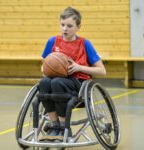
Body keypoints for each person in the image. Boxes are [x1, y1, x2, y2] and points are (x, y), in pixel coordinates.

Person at [38, 6, 106, 141]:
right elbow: (43, 66)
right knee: (44, 82)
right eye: (62, 25)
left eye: (69, 26)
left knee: (57, 82)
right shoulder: (53, 41)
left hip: (78, 84)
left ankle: (64, 128)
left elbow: (102, 71)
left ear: (78, 27)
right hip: (56, 80)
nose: (65, 29)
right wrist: (47, 69)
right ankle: (54, 125)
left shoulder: (84, 43)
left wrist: (79, 67)